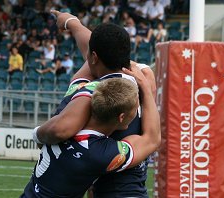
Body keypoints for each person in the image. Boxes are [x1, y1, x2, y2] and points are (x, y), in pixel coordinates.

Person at [35, 10, 159, 197]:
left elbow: (60, 128)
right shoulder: (144, 83)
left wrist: (72, 22)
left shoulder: (81, 91)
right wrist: (72, 22)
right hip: (130, 190)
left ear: (94, 57)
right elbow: (152, 139)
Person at [22, 75, 159, 197]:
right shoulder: (100, 154)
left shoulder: (65, 114)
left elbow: (85, 70)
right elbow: (152, 139)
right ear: (121, 117)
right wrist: (146, 88)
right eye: (136, 108)